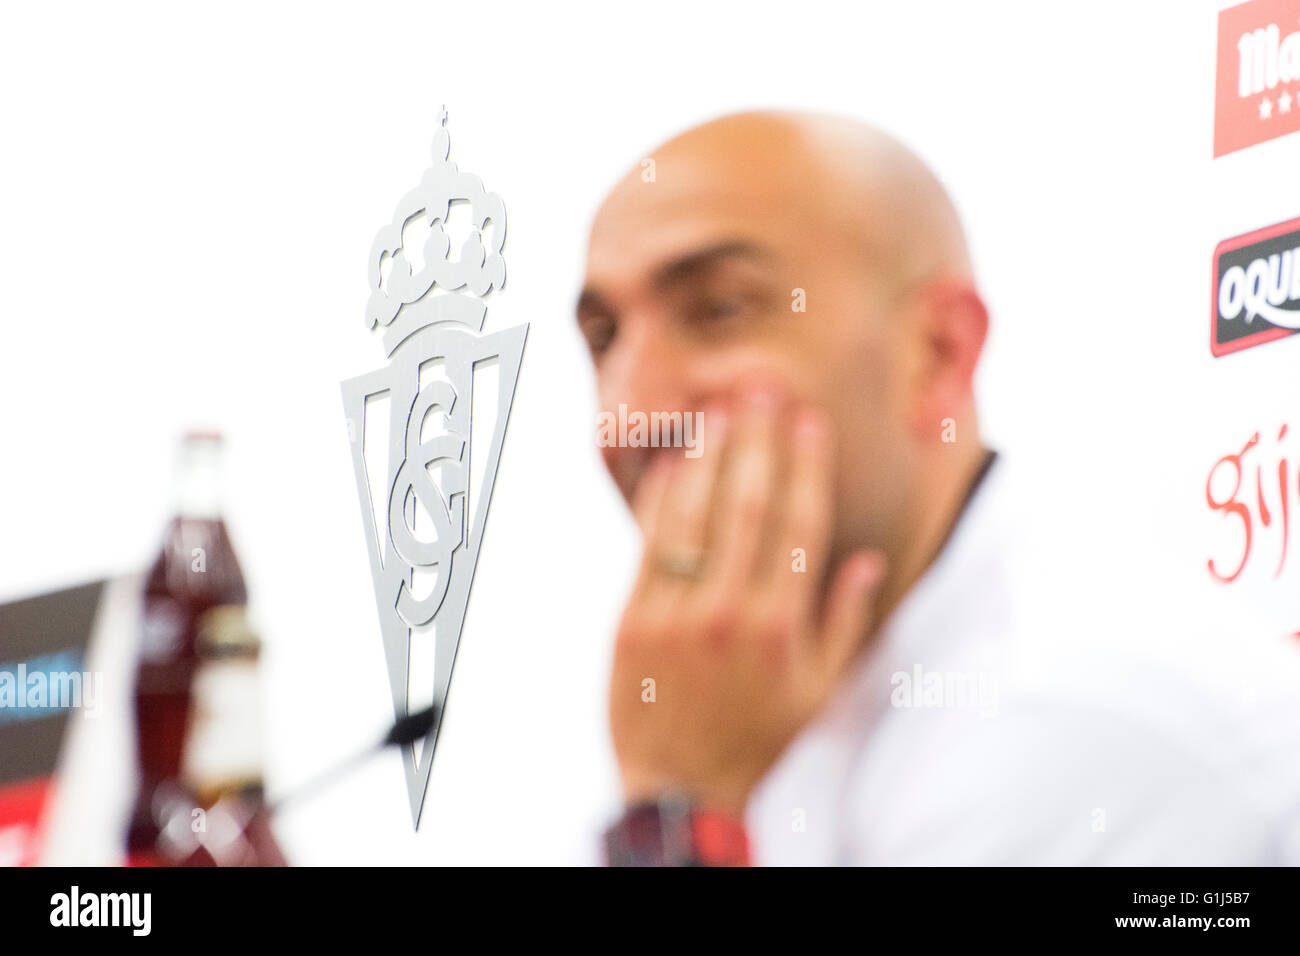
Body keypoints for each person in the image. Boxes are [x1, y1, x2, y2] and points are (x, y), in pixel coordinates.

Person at [577, 110, 1300, 865]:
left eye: (720, 310)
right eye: (603, 339)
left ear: (939, 352)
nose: (632, 413)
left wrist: (676, 816)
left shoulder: (1093, 719)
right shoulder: (731, 709)